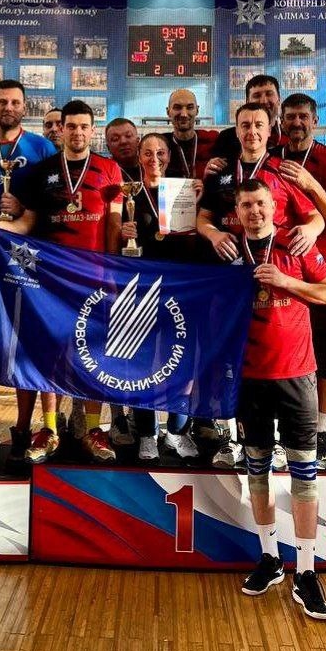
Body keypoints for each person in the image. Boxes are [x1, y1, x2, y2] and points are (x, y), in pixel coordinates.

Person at [231, 178, 326, 621]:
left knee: (304, 473)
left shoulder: (296, 245)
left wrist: (286, 281)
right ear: (237, 211)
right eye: (246, 205)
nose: (254, 211)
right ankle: (271, 558)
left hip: (296, 375)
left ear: (273, 206)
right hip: (249, 378)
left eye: (260, 203)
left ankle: (306, 570)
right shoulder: (229, 251)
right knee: (257, 469)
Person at [199, 103, 324, 468]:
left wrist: (310, 232)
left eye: (258, 125)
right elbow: (203, 218)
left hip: (276, 270)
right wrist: (213, 234)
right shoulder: (222, 173)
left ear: (271, 130)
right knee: (230, 357)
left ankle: (279, 444)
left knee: (272, 353)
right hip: (232, 273)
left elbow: (315, 217)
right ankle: (232, 439)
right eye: (245, 125)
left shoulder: (284, 171)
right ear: (236, 130)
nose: (251, 131)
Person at [6, 99, 124, 465]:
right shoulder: (42, 172)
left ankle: (94, 429)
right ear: (61, 129)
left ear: (93, 130)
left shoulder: (110, 169)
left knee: (93, 355)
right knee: (51, 353)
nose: (76, 132)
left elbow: (114, 224)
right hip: (52, 280)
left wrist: (112, 273)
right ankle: (50, 429)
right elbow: (27, 224)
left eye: (83, 126)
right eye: (70, 126)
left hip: (94, 278)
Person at [0, 80, 58, 461]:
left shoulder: (42, 148)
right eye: (2, 101)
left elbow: (54, 201)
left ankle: (23, 428)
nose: (9, 107)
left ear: (24, 107)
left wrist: (22, 209)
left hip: (29, 253)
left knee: (26, 341)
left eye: (16, 102)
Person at [271, 94, 326, 469]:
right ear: (281, 120)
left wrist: (311, 185)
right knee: (280, 359)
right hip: (278, 273)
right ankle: (277, 435)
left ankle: (320, 436)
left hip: (320, 275)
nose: (297, 123)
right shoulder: (271, 156)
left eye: (303, 116)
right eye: (290, 117)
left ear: (315, 121)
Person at [118, 133, 203, 461]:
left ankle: (177, 431)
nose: (155, 159)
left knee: (181, 359)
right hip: (142, 288)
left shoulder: (182, 191)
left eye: (161, 152)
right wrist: (123, 233)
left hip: (180, 287)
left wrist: (198, 202)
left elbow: (196, 238)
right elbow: (115, 242)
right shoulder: (129, 193)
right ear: (139, 156)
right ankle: (147, 433)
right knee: (143, 362)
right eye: (148, 153)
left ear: (169, 156)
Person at [211, 74, 287, 162]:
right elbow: (216, 168)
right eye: (257, 96)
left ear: (279, 100)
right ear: (247, 102)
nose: (264, 101)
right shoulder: (227, 138)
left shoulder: (289, 136)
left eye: (269, 94)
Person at [163, 88, 218, 180]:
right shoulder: (161, 145)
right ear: (168, 112)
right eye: (177, 107)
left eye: (190, 107)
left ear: (197, 110)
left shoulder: (213, 140)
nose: (184, 114)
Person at [104, 117, 142, 182]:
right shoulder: (102, 172)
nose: (123, 141)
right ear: (108, 147)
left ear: (138, 141)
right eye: (115, 139)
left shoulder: (151, 167)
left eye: (128, 136)